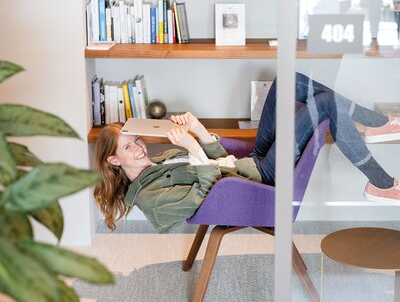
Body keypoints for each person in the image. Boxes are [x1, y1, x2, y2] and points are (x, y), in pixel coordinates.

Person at [94, 72, 400, 233]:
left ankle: (376, 125)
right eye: (129, 146)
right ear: (113, 160)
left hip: (251, 162)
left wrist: (199, 132)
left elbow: (216, 159)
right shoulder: (151, 197)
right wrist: (192, 149)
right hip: (260, 179)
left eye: (137, 140)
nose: (139, 148)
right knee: (323, 104)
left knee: (285, 81)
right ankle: (381, 180)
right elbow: (205, 194)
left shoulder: (157, 162)